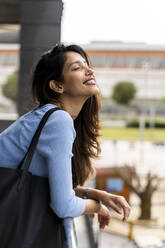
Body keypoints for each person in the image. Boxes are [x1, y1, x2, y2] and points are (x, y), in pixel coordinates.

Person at [0, 44, 130, 247]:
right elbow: (63, 206)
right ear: (57, 86)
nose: (89, 70)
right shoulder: (58, 120)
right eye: (77, 68)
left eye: (87, 65)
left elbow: (44, 186)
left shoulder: (49, 118)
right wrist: (96, 207)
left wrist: (97, 194)